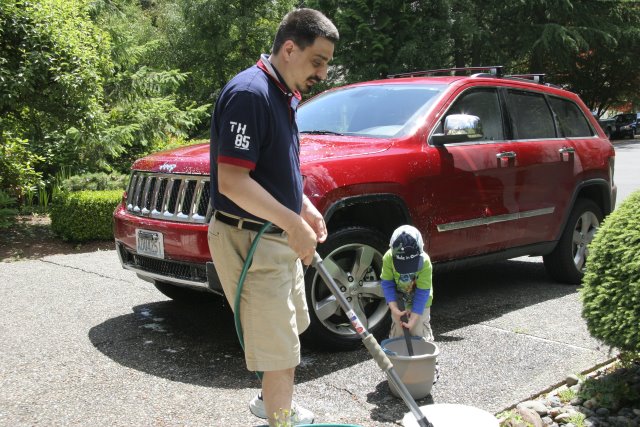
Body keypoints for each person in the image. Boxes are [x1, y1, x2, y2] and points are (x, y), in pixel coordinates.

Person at [206, 8, 338, 426]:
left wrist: (304, 207)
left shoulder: (281, 94)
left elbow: (274, 167)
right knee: (278, 347)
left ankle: (273, 403)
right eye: (317, 61)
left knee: (290, 329)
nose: (322, 73)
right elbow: (232, 181)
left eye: (327, 64)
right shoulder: (250, 94)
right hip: (251, 241)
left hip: (273, 235)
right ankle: (280, 419)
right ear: (288, 48)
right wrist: (292, 223)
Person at [380, 225, 434, 341]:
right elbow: (387, 283)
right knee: (399, 333)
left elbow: (423, 291)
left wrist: (414, 318)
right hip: (399, 301)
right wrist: (393, 307)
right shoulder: (388, 258)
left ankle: (423, 358)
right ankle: (398, 358)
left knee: (419, 331)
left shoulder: (425, 262)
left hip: (421, 302)